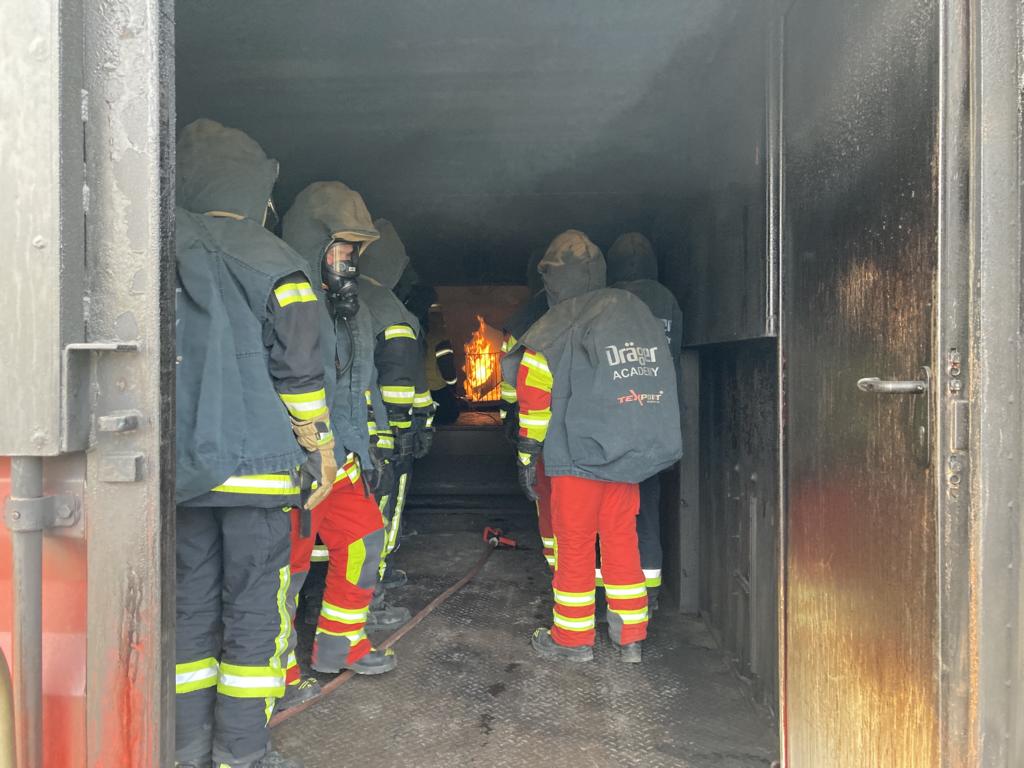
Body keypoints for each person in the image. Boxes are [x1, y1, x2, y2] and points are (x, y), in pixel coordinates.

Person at [174, 118, 333, 768]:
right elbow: (300, 372)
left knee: (187, 609)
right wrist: (320, 447)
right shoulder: (276, 261)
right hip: (260, 472)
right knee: (252, 612)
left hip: (184, 474)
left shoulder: (157, 251)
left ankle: (183, 748)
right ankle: (241, 752)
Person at [502, 230, 682, 664]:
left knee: (575, 544)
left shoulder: (555, 323)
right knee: (621, 539)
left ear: (553, 279)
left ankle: (572, 638)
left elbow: (533, 392)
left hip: (574, 459)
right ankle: (631, 636)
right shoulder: (631, 310)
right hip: (623, 457)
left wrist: (527, 454)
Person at [278, 181, 399, 710]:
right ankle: (278, 672)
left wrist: (368, 445)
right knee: (288, 571)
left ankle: (340, 643)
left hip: (344, 458)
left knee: (366, 539)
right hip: (299, 463)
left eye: (353, 251)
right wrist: (306, 449)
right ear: (314, 242)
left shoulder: (355, 309)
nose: (347, 261)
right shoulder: (282, 296)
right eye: (340, 248)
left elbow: (363, 383)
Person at [604, 233, 683, 608]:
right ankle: (648, 597)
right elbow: (674, 363)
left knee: (611, 515)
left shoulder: (606, 302)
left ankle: (609, 597)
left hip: (615, 421)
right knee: (647, 510)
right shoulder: (668, 301)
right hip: (656, 421)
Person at [359, 219, 429, 618]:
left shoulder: (341, 295)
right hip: (385, 434)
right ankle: (374, 586)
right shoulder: (391, 311)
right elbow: (401, 382)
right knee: (385, 506)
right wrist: (408, 431)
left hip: (350, 431)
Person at [500, 249, 553, 570]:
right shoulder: (594, 314)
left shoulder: (523, 318)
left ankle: (556, 565)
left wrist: (508, 413)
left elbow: (510, 371)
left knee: (544, 495)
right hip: (584, 430)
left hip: (536, 423)